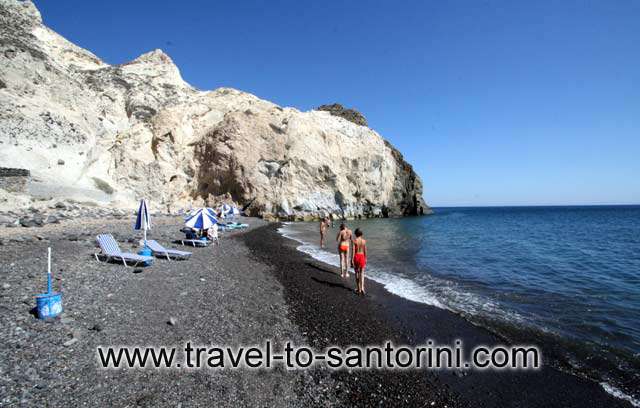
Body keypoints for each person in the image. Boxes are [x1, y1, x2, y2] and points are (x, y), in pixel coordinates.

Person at [352, 228, 367, 295]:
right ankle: (363, 288)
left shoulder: (355, 241)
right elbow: (365, 250)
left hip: (356, 256)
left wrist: (351, 259)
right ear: (362, 234)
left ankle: (359, 289)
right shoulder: (364, 241)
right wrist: (366, 258)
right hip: (362, 256)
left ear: (355, 234)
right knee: (362, 273)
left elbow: (353, 251)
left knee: (357, 273)